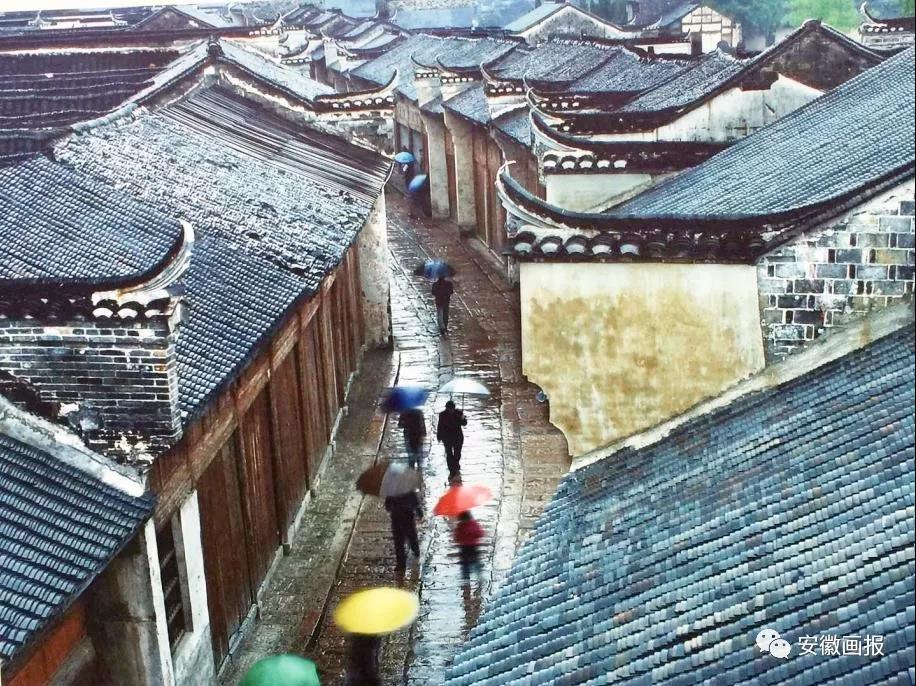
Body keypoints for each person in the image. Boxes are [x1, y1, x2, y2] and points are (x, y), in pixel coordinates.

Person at [385, 490, 421, 574]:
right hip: (404, 518)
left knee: (401, 542)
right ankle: (414, 551)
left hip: (399, 519)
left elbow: (388, 507)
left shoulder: (391, 491)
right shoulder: (407, 489)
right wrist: (418, 511)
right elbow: (415, 502)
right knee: (408, 538)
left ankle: (402, 563)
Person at [436, 400, 467, 479]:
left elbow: (464, 423)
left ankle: (456, 464)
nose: (450, 411)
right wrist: (439, 436)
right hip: (447, 438)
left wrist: (463, 418)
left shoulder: (458, 413)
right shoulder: (442, 415)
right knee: (449, 454)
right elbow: (440, 426)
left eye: (452, 409)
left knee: (457, 454)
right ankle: (452, 470)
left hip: (458, 437)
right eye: (449, 409)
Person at [454, 511, 484, 582]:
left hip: (463, 548)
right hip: (473, 547)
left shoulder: (459, 526)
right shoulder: (474, 524)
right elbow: (480, 534)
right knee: (476, 561)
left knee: (465, 564)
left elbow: (456, 538)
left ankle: (466, 579)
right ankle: (479, 576)